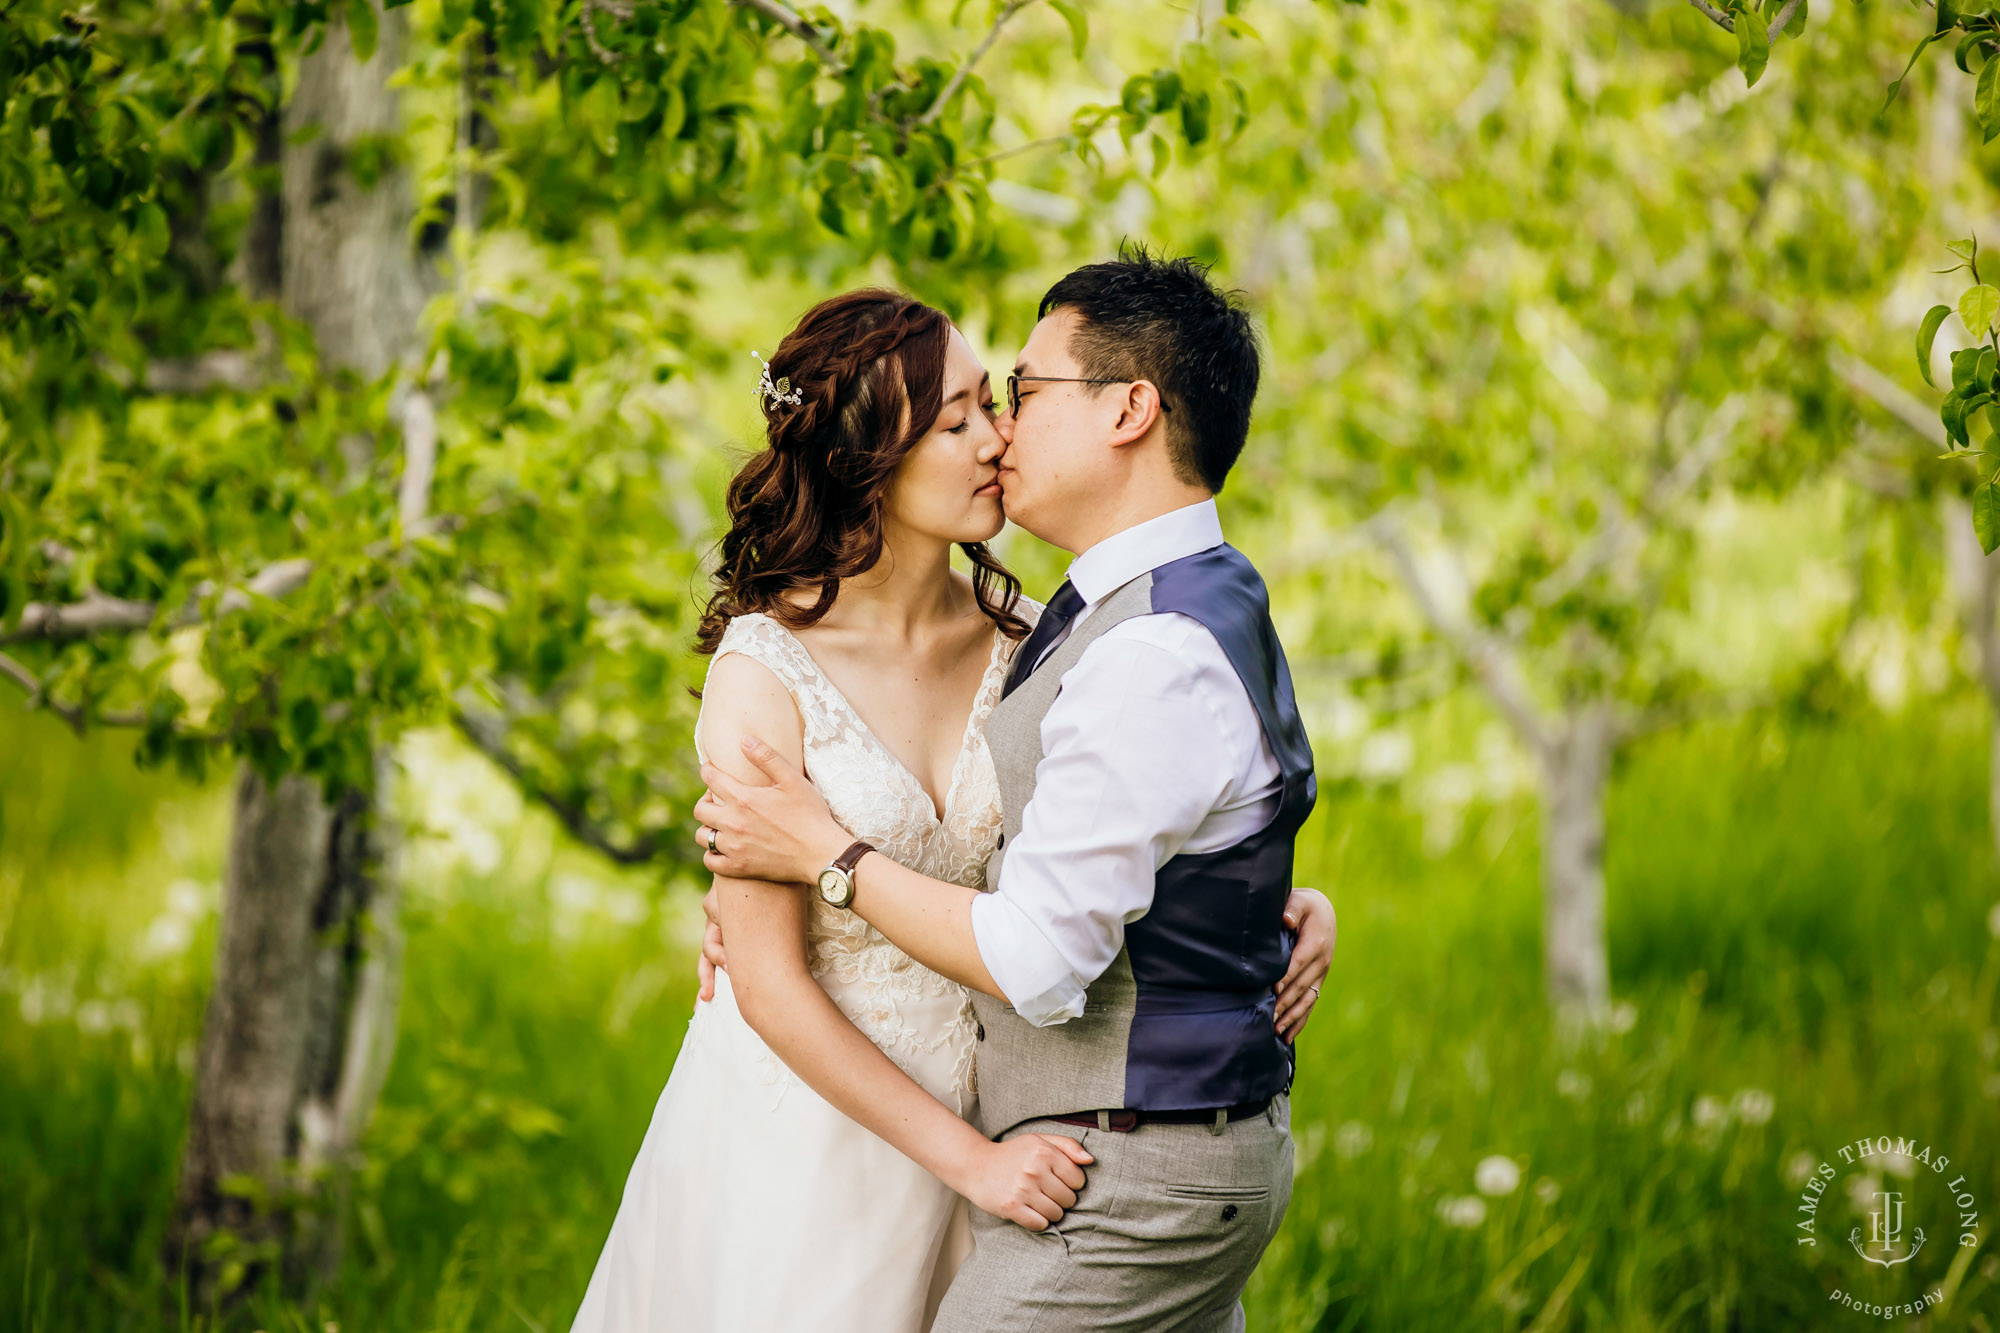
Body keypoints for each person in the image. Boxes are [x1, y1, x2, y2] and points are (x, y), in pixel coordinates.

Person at [572, 286, 1334, 1333]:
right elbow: (768, 981)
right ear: (865, 462)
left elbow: (1138, 814)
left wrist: (1270, 898)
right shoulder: (766, 673)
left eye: (1000, 400)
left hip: (1018, 1115)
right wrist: (968, 1162)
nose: (998, 435)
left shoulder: (1036, 637)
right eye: (960, 417)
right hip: (824, 1137)